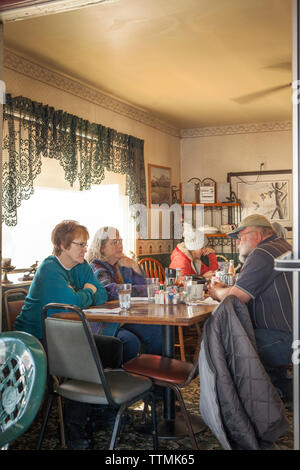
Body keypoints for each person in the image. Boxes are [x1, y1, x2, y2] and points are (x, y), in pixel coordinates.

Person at [14, 220, 124, 450]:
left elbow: (101, 295)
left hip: (63, 335)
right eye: (80, 244)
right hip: (35, 340)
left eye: (85, 244)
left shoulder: (81, 265)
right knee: (82, 358)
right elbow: (72, 303)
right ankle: (75, 430)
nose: (85, 249)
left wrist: (86, 293)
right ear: (62, 246)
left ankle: (99, 412)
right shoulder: (49, 268)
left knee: (113, 347)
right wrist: (87, 291)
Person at [208, 214, 293, 402]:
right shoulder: (284, 247)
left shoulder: (262, 253)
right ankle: (282, 391)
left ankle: (246, 408)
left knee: (225, 346)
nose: (238, 241)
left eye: (241, 235)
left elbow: (236, 297)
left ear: (259, 234)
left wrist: (217, 291)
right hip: (291, 333)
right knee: (248, 336)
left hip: (284, 339)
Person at [86, 226, 163, 363]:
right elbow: (112, 291)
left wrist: (134, 266)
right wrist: (148, 290)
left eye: (120, 240)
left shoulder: (121, 265)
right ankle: (153, 376)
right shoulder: (97, 267)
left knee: (158, 326)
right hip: (107, 322)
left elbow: (143, 286)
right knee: (154, 328)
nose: (119, 245)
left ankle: (155, 375)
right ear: (102, 248)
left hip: (124, 316)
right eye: (114, 242)